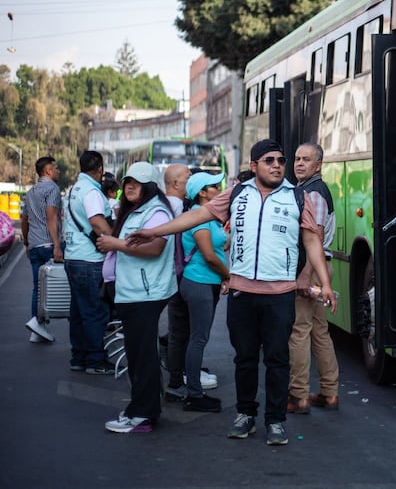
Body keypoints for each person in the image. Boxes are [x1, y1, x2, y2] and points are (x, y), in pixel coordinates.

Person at [127, 139, 335, 446]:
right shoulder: (237, 194)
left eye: (280, 160)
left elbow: (312, 242)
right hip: (242, 293)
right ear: (254, 166)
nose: (277, 165)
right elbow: (196, 216)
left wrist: (325, 283)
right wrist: (155, 231)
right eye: (269, 160)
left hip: (280, 294)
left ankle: (276, 420)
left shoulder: (297, 196)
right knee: (246, 359)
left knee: (278, 360)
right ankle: (246, 415)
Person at [97, 162, 177, 433]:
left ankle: (143, 414)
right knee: (138, 353)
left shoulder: (156, 211)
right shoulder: (136, 210)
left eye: (136, 182)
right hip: (133, 292)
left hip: (145, 293)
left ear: (150, 186)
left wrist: (114, 244)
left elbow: (155, 248)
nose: (129, 186)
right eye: (127, 182)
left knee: (142, 355)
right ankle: (142, 409)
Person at [288, 143, 340, 414]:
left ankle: (299, 396)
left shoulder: (314, 194)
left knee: (300, 331)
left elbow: (315, 239)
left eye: (306, 160)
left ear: (318, 165)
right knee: (320, 331)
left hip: (313, 269)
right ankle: (329, 394)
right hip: (321, 269)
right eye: (297, 158)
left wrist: (305, 275)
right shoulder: (306, 189)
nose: (299, 163)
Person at [160, 163, 219, 401]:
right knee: (191, 335)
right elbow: (207, 252)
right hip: (187, 276)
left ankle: (179, 378)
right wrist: (226, 274)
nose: (189, 181)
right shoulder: (182, 210)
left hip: (179, 276)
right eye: (187, 178)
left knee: (181, 332)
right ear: (175, 183)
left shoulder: (178, 207)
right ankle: (186, 382)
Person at [180, 171, 230, 413]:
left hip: (205, 282)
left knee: (197, 338)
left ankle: (193, 389)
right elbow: (209, 256)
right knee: (198, 339)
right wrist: (228, 275)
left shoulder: (209, 217)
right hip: (199, 282)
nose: (219, 188)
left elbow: (220, 244)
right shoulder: (199, 218)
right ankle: (194, 395)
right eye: (215, 186)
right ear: (202, 192)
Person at [62, 150, 115, 373]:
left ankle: (79, 357)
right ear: (101, 169)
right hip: (89, 259)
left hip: (73, 256)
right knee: (95, 311)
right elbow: (97, 223)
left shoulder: (74, 189)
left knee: (78, 310)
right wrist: (115, 240)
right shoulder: (92, 192)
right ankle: (95, 360)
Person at [21, 156, 64, 343]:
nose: (58, 171)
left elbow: (24, 220)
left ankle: (37, 328)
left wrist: (27, 243)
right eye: (56, 168)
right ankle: (40, 324)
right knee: (56, 287)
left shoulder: (31, 191)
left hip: (35, 245)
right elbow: (51, 217)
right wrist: (57, 245)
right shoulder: (53, 189)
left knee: (37, 288)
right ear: (48, 171)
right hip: (48, 244)